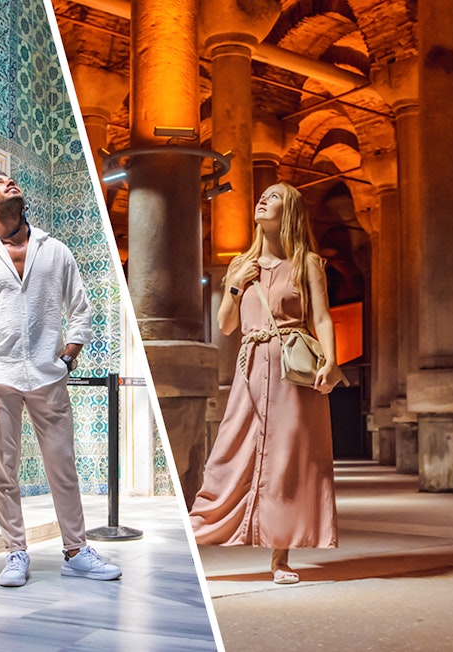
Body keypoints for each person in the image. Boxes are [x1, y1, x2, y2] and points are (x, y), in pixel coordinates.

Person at [0, 170, 122, 587]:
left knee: (63, 465)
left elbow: (80, 310)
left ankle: (76, 550)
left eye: (10, 179)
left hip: (49, 376)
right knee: (4, 471)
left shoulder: (55, 250)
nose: (8, 182)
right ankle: (15, 552)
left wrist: (68, 356)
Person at [188, 182, 341, 585]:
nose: (262, 199)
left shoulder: (307, 262)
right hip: (251, 369)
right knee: (230, 453)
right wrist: (234, 285)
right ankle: (199, 535)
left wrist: (331, 360)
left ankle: (280, 557)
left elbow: (322, 317)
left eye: (273, 197)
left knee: (287, 461)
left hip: (295, 373)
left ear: (289, 210)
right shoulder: (241, 263)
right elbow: (225, 324)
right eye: (263, 195)